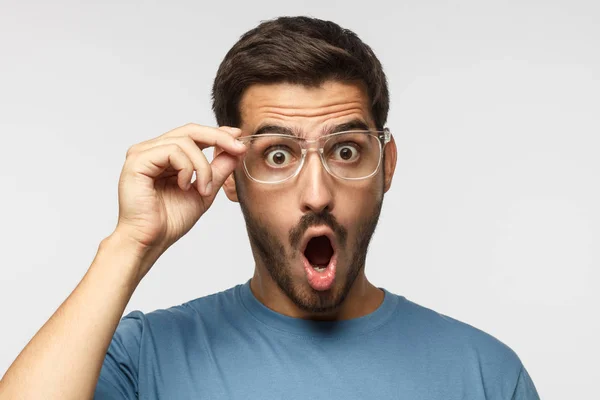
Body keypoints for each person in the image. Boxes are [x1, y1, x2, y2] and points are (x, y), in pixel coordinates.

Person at [0, 16, 539, 400]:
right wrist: (129, 245)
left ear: (387, 163)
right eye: (277, 154)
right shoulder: (143, 358)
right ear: (231, 174)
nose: (317, 193)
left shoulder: (486, 374)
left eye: (345, 151)